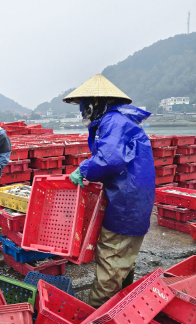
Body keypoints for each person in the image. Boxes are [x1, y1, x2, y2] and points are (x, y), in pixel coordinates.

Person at [63, 74, 155, 308]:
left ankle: (99, 312)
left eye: (85, 107)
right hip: (134, 199)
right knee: (125, 259)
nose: (84, 112)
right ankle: (123, 308)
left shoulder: (112, 122)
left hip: (126, 203)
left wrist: (83, 168)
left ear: (95, 104)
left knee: (111, 260)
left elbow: (110, 159)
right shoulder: (121, 121)